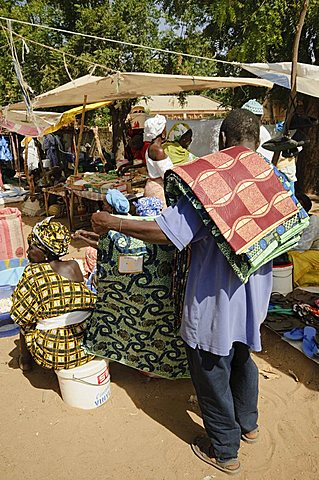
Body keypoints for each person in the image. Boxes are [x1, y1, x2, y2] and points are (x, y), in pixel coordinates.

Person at [90, 109, 273, 475]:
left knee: (210, 371)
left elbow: (170, 233)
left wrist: (113, 222)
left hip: (214, 303)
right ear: (257, 141)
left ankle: (225, 450)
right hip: (253, 301)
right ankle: (248, 426)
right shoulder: (271, 178)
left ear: (222, 139)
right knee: (241, 358)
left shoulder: (212, 183)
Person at [10, 218, 96, 372]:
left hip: (53, 354)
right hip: (87, 346)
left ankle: (25, 360)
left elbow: (20, 316)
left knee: (25, 323)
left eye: (33, 247)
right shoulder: (74, 266)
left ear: (47, 252)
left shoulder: (33, 272)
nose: (28, 251)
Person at [288, 193, 319, 286]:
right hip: (303, 251)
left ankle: (291, 282)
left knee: (294, 258)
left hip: (315, 252)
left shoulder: (312, 220)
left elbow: (304, 246)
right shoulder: (293, 221)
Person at [143, 114, 173, 209]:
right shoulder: (158, 150)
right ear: (161, 131)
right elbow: (167, 175)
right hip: (158, 190)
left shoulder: (150, 148)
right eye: (165, 128)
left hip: (152, 187)